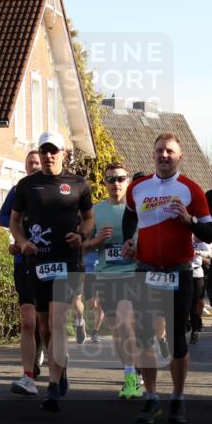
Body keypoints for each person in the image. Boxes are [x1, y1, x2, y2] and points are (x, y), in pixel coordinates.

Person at [123, 133, 212, 424]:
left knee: (176, 339)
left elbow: (209, 234)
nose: (165, 156)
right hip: (147, 269)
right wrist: (128, 241)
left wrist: (189, 220)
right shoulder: (137, 188)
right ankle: (151, 397)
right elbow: (129, 217)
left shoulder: (192, 189)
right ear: (153, 154)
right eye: (160, 151)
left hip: (179, 271)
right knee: (145, 336)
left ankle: (178, 397)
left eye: (170, 152)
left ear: (180, 156)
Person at [9, 131, 93, 411]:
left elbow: (89, 218)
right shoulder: (26, 185)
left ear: (63, 153)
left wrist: (81, 235)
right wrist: (22, 242)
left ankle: (53, 387)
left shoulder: (79, 184)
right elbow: (15, 221)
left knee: (56, 322)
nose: (48, 156)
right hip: (38, 262)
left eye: (53, 151)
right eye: (44, 151)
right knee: (44, 326)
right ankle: (62, 367)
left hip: (67, 261)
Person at [82, 162, 142, 399]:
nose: (115, 184)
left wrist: (138, 249)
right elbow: (82, 245)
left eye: (120, 179)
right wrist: (96, 242)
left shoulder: (137, 209)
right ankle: (130, 368)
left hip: (133, 274)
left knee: (127, 322)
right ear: (105, 183)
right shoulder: (96, 211)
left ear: (127, 181)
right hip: (106, 276)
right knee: (118, 328)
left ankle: (131, 377)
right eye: (110, 179)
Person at [0, 150, 46, 388]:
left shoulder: (52, 190)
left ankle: (43, 352)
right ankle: (29, 369)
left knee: (44, 319)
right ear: (25, 167)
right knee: (28, 320)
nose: (34, 166)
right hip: (22, 261)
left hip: (47, 261)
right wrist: (19, 223)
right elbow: (1, 217)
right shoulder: (18, 191)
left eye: (37, 162)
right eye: (30, 163)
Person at [189, 238, 212, 344]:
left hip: (197, 273)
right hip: (183, 272)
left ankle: (195, 330)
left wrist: (198, 252)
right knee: (184, 304)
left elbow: (210, 254)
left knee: (195, 302)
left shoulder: (199, 237)